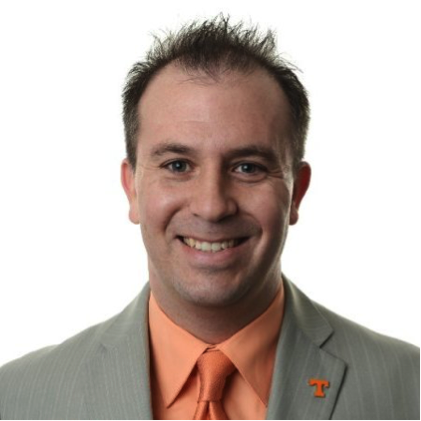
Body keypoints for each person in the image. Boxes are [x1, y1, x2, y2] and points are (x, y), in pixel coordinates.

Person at [0, 15, 418, 421]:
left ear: (297, 192)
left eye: (248, 167)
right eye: (178, 165)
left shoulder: (409, 388)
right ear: (132, 188)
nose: (212, 206)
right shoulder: (16, 398)